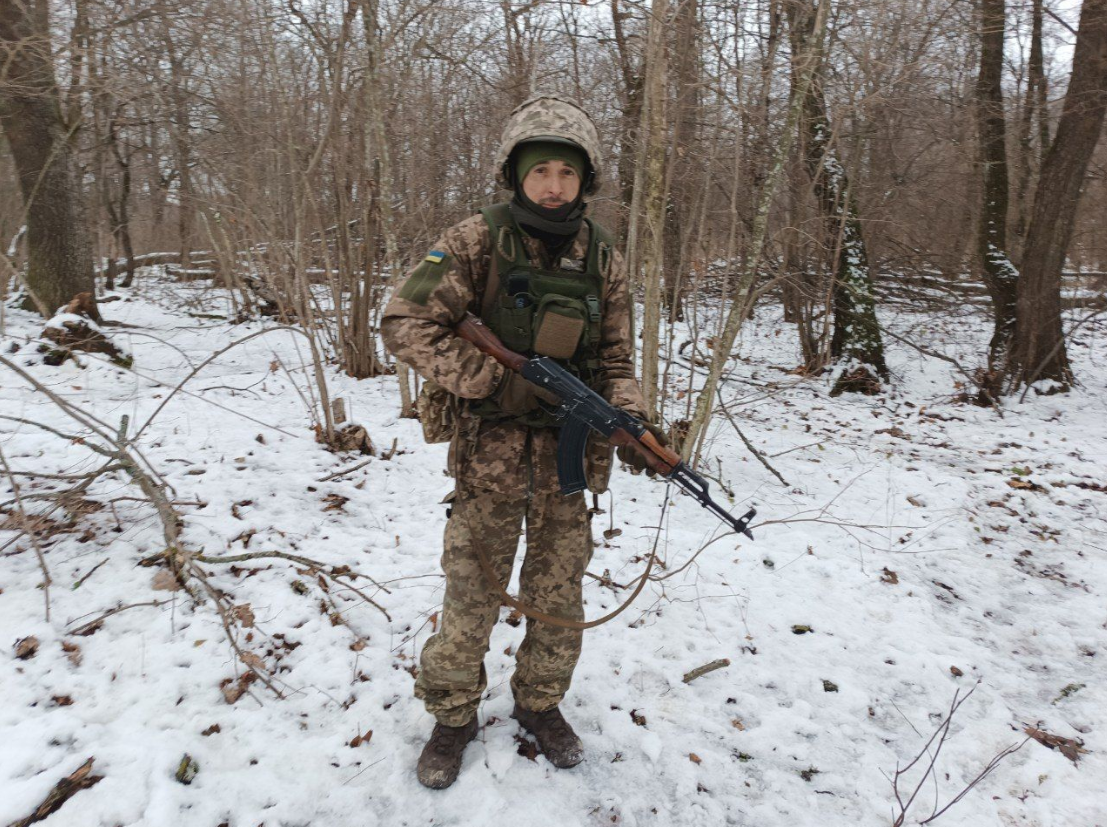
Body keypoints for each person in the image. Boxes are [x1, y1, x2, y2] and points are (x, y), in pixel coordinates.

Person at [381, 94, 658, 789]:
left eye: (566, 172)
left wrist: (631, 423)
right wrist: (487, 381)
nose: (553, 186)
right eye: (540, 172)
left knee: (559, 596)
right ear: (516, 173)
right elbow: (404, 319)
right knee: (471, 592)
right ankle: (451, 716)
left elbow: (618, 362)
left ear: (583, 179)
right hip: (489, 460)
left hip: (570, 467)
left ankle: (539, 704)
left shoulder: (603, 257)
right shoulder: (473, 240)